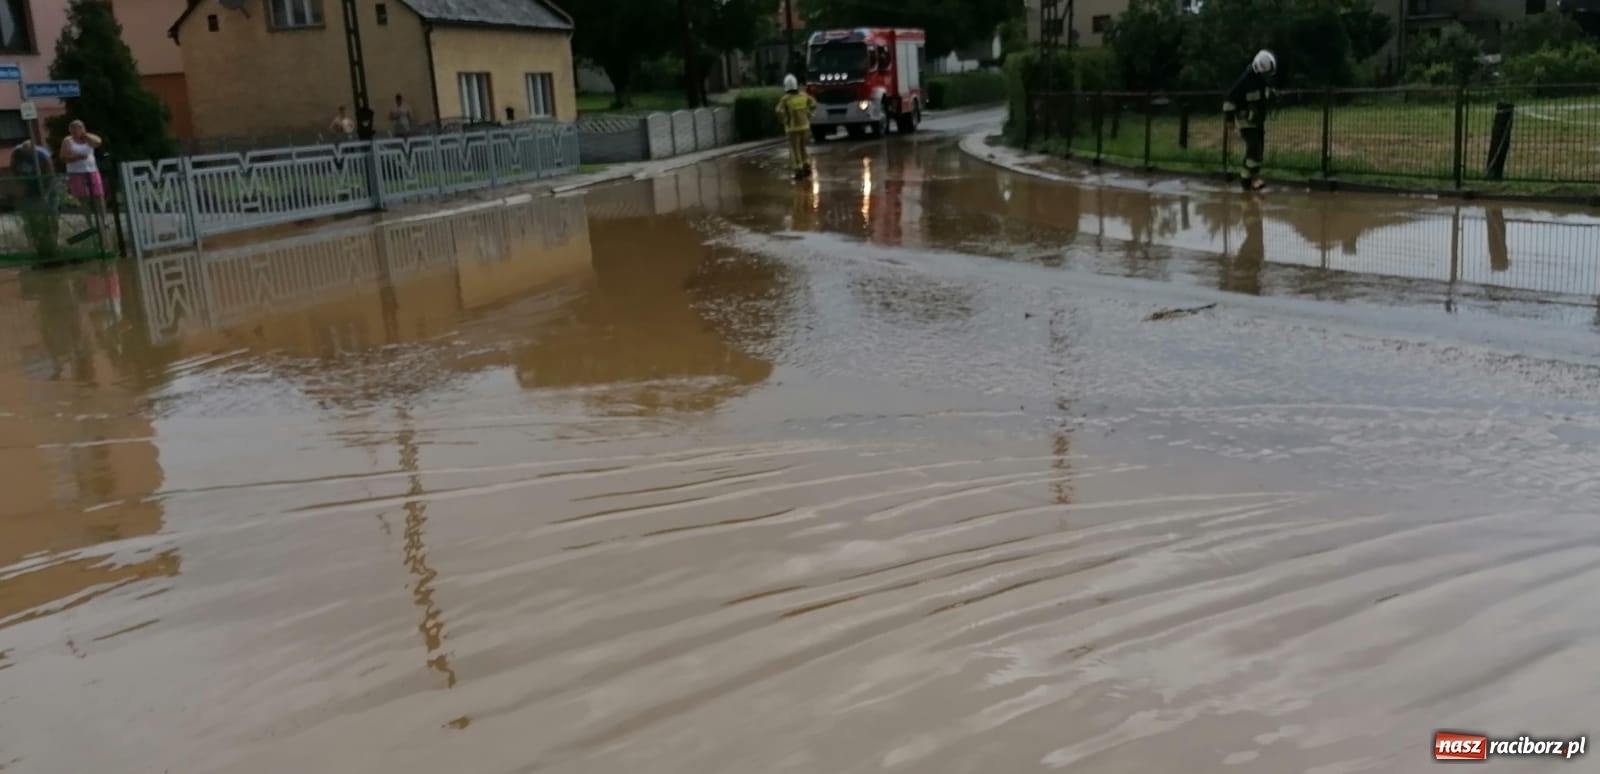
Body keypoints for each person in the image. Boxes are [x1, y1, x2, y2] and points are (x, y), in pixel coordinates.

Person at [1223, 49, 1278, 192]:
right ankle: (1250, 179)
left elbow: (1263, 96)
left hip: (1258, 120)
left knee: (1258, 152)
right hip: (1245, 120)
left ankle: (1249, 179)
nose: (1267, 75)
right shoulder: (1245, 81)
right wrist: (1229, 119)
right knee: (1254, 149)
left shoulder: (1262, 79)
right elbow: (1229, 99)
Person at [59, 120, 104, 221]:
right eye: (72, 130)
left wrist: (85, 136)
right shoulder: (67, 140)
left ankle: (103, 220)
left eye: (77, 130)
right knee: (83, 198)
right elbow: (63, 157)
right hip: (76, 173)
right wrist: (77, 157)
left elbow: (98, 142)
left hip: (92, 170)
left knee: (99, 196)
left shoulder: (89, 138)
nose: (74, 133)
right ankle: (90, 222)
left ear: (82, 129)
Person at [775, 74, 817, 179]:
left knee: (795, 149)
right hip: (805, 127)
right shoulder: (803, 96)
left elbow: (778, 111)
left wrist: (785, 120)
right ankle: (806, 165)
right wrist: (808, 114)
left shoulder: (785, 99)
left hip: (792, 128)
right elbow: (813, 104)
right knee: (803, 147)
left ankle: (798, 169)